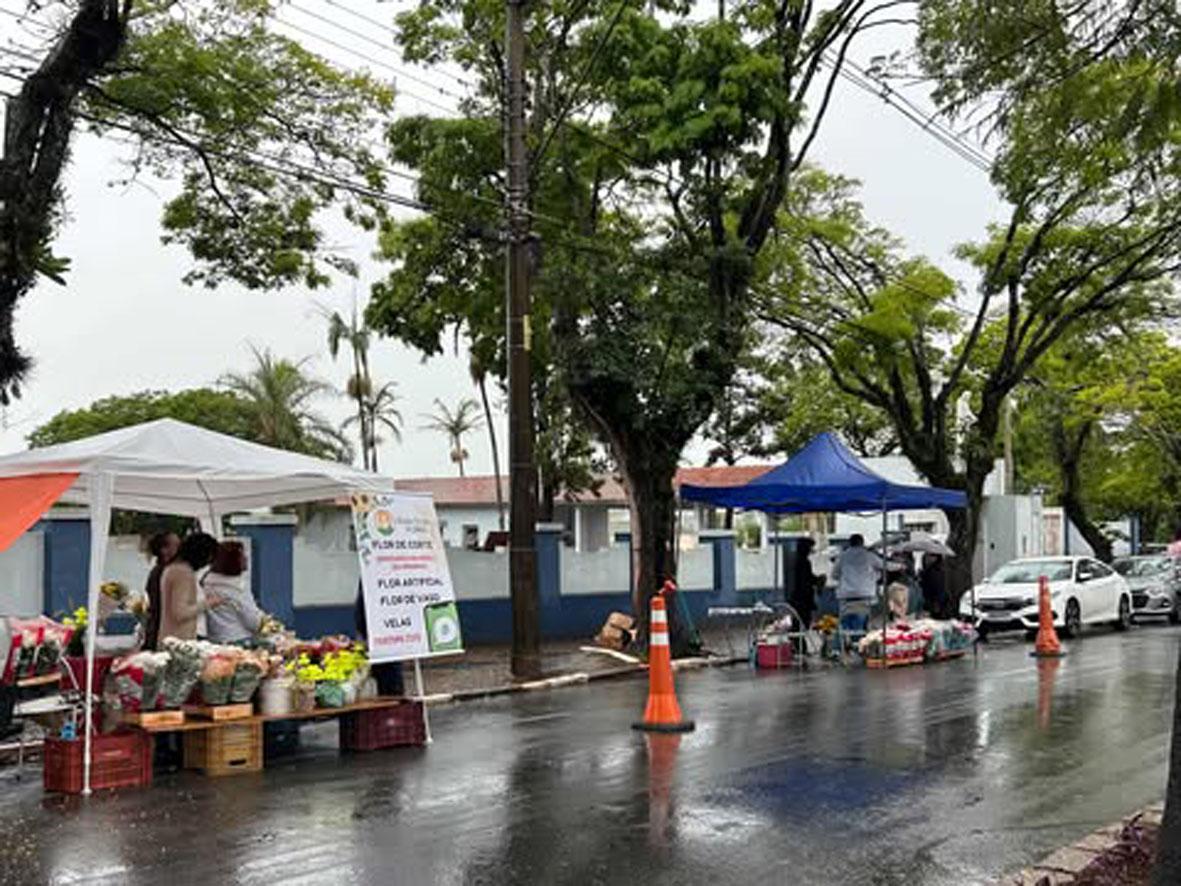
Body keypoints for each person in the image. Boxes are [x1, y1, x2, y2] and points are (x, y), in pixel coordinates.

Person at [158, 533, 220, 643]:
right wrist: (209, 602)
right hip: (180, 640)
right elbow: (180, 612)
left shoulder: (172, 569)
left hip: (170, 638)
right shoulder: (183, 573)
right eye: (209, 557)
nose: (208, 563)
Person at [203, 541, 263, 644]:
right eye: (242, 555)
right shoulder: (237, 588)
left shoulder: (207, 582)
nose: (246, 558)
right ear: (233, 560)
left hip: (215, 639)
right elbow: (253, 622)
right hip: (239, 640)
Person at [354, 582, 404, 696]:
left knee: (389, 673)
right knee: (384, 675)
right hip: (378, 635)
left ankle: (393, 699)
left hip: (385, 635)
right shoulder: (371, 578)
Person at [832, 534, 883, 632]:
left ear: (850, 543)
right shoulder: (869, 555)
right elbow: (885, 565)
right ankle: (859, 640)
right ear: (862, 543)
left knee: (845, 625)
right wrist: (901, 566)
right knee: (862, 624)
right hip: (865, 596)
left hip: (846, 597)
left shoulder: (842, 556)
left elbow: (834, 575)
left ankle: (847, 642)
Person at [143, 530, 180, 651]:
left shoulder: (163, 571)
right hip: (163, 630)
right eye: (177, 546)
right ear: (164, 550)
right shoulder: (162, 573)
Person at [789, 538, 820, 628]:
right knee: (802, 624)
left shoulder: (797, 561)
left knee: (799, 624)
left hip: (798, 599)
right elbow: (806, 580)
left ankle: (799, 641)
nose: (811, 550)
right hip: (802, 600)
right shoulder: (803, 562)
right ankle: (799, 641)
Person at [920, 553, 948, 618]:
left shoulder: (934, 571)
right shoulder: (938, 569)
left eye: (930, 556)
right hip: (935, 603)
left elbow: (937, 588)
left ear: (936, 558)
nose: (927, 558)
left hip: (933, 604)